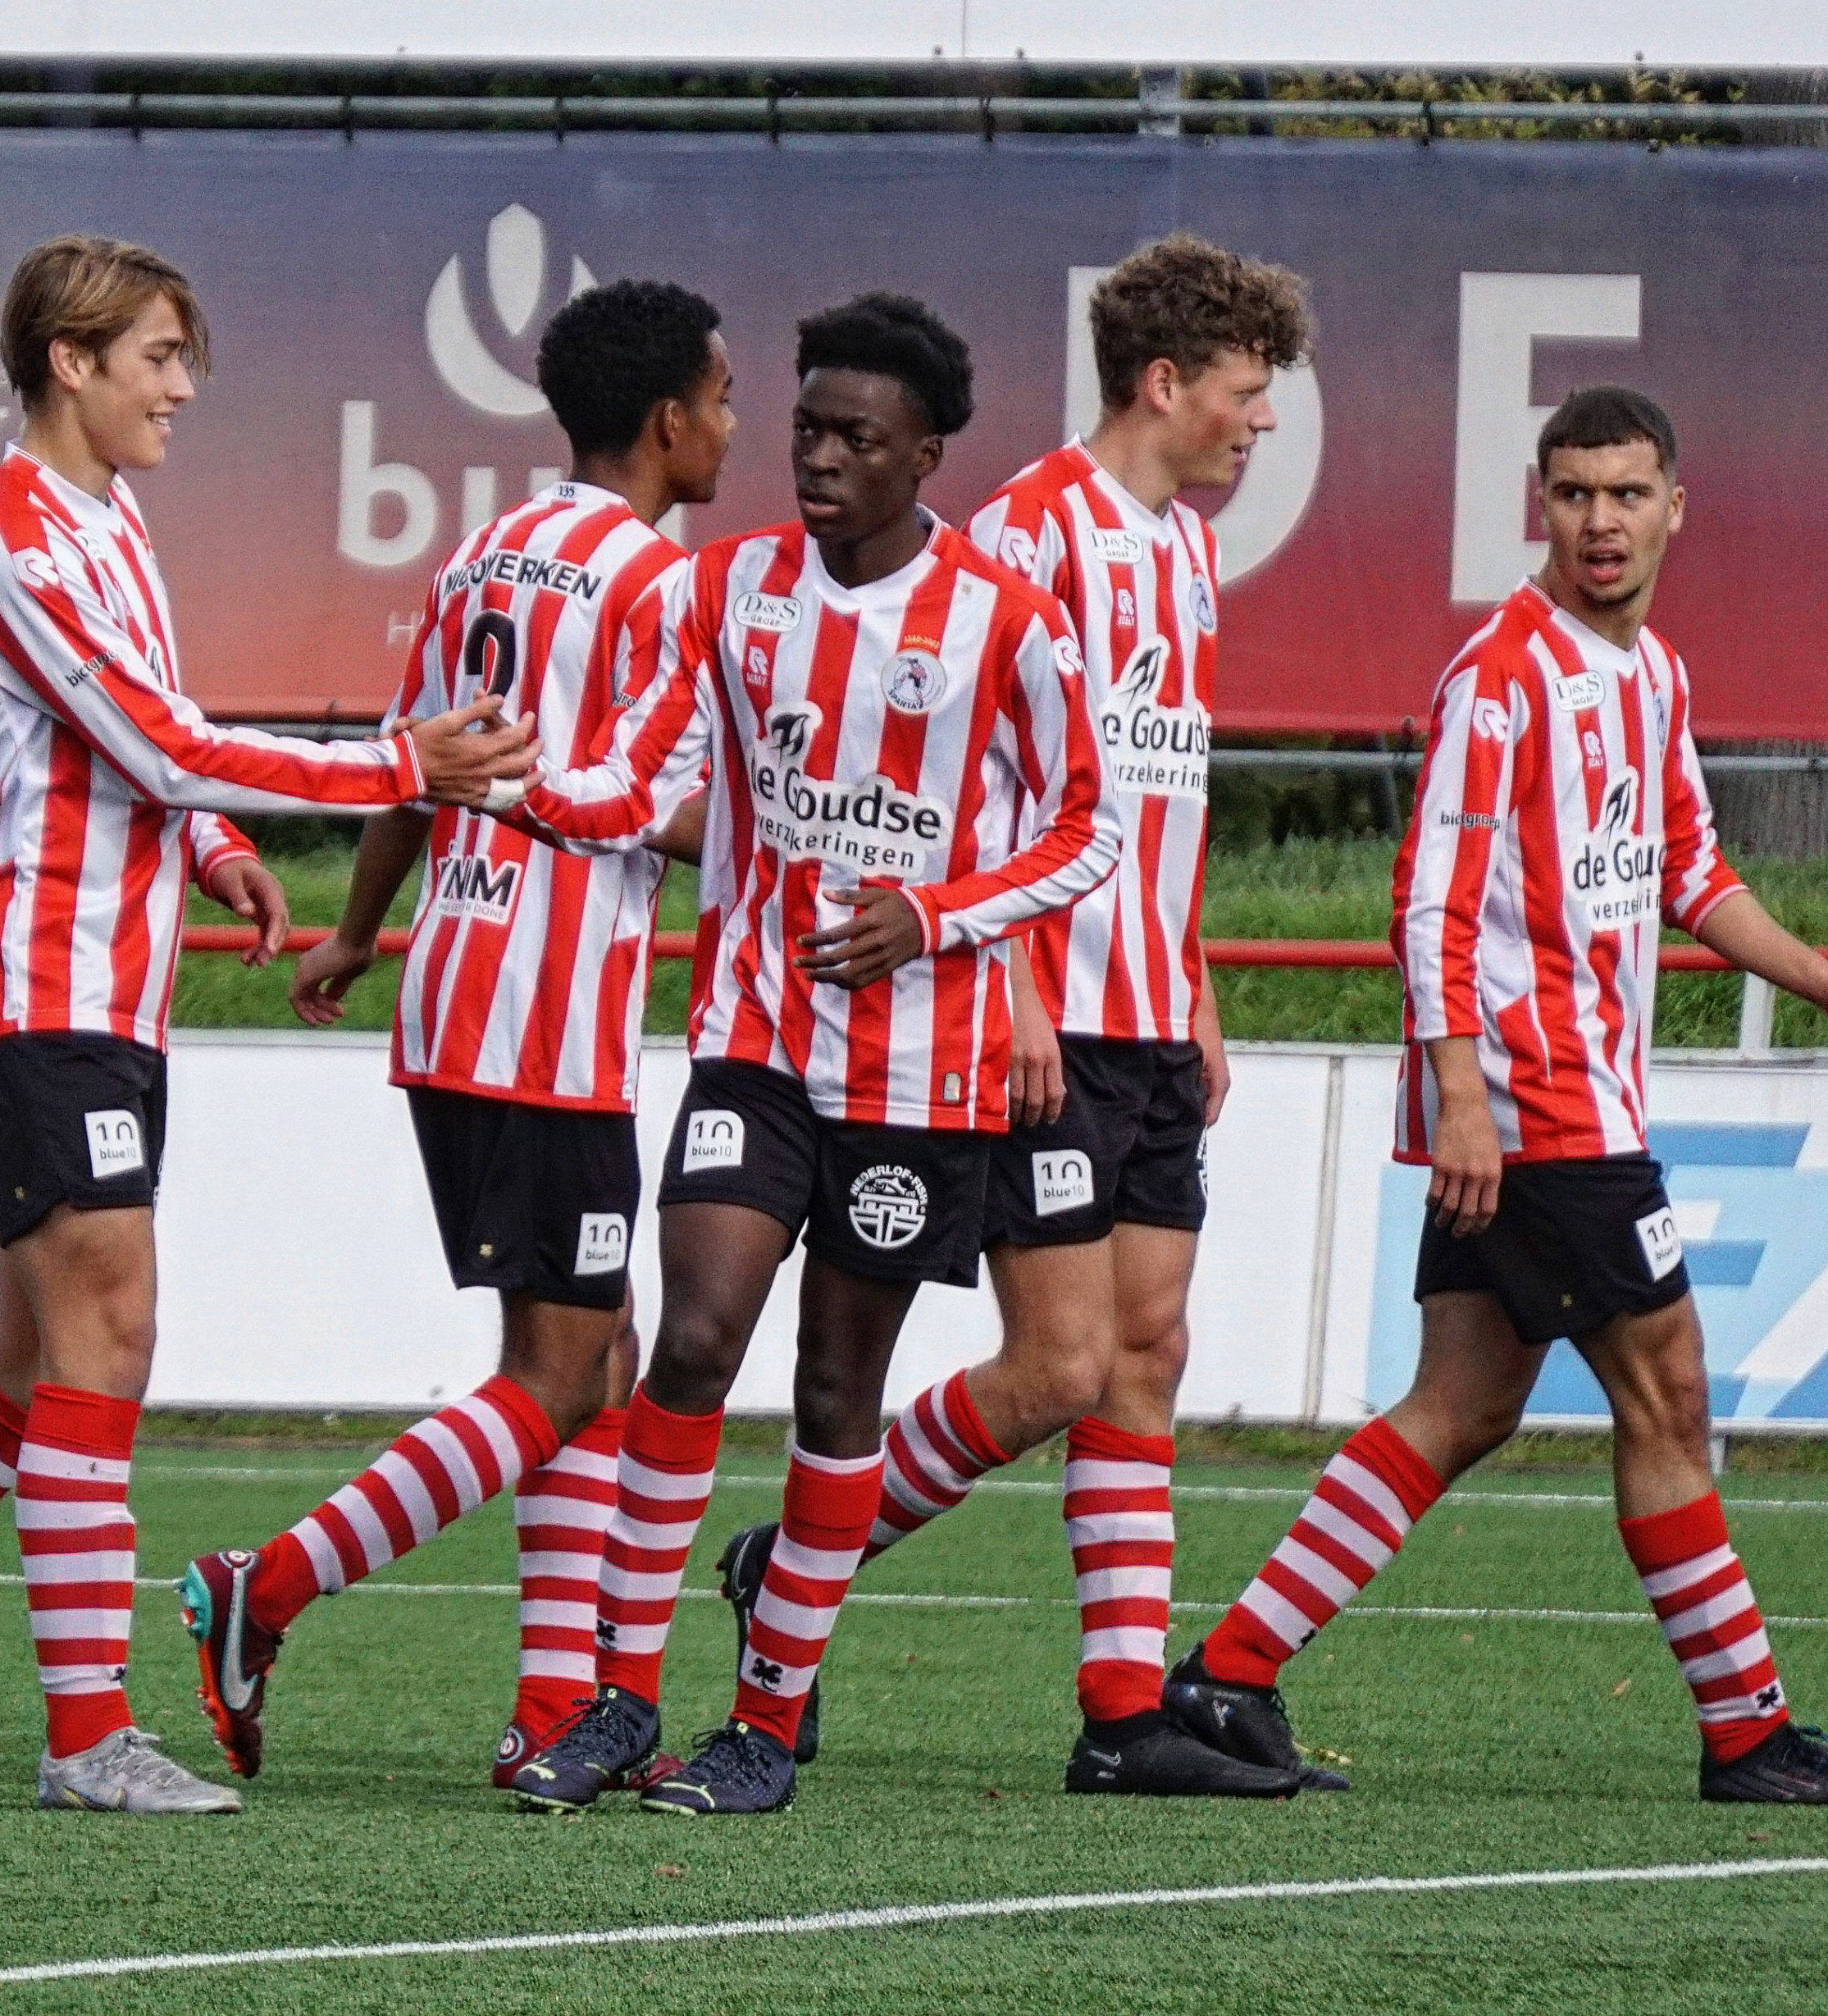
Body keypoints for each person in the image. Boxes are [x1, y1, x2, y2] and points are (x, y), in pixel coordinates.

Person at [0, 235, 536, 1814]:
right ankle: (89, 1736)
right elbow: (159, 740)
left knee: (32, 1364)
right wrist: (398, 769)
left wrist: (222, 851)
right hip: (31, 992)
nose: (185, 387)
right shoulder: (8, 535)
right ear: (69, 363)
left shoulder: (112, 516)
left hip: (96, 988)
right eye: (160, 358)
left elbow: (124, 754)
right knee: (113, 1329)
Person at [715, 233, 1321, 1797]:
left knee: (1150, 1348)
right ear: (1168, 381)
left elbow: (1154, 794)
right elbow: (978, 795)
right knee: (1057, 1364)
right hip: (1037, 1013)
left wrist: (1189, 984)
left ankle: (1122, 1716)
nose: (1260, 426)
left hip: (1150, 1020)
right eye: (1248, 396)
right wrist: (1029, 990)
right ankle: (786, 1564)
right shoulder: (1028, 535)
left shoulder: (1184, 550)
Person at [1163, 386, 1828, 1805]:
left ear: (1673, 508)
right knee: (1674, 1394)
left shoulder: (1653, 678)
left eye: (1628, 494)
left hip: (1573, 1106)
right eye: (1576, 494)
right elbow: (1430, 904)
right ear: (1545, 502)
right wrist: (1463, 1097)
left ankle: (1231, 1671)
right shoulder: (1503, 675)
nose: (1601, 521)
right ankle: (1747, 1732)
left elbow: (1691, 875)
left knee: (1460, 1407)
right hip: (1540, 1113)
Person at [506, 292, 1120, 1816]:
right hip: (756, 1041)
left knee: (841, 1392)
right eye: (806, 429)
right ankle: (621, 1703)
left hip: (923, 1075)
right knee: (699, 1338)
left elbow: (1087, 828)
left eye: (860, 436)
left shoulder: (1006, 623)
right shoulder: (730, 591)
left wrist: (938, 915)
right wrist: (524, 791)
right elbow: (659, 766)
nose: (822, 457)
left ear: (927, 453)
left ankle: (766, 1727)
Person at [178, 280, 733, 1791]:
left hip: (451, 990)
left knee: (577, 1352)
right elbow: (643, 801)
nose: (737, 427)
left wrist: (365, 933)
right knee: (562, 1376)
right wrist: (773, 845)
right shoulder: (661, 586)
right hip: (549, 1016)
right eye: (726, 400)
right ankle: (270, 1584)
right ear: (670, 420)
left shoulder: (487, 547)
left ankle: (552, 1710)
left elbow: (419, 767)